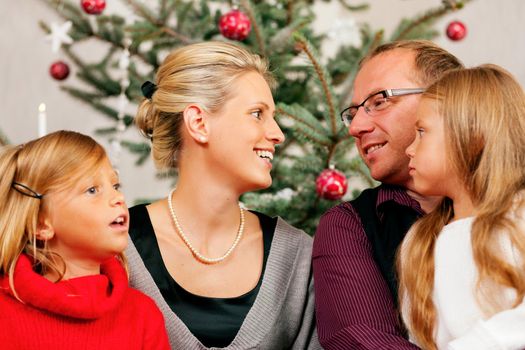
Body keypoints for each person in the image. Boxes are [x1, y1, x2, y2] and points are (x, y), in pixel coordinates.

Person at [126, 41, 320, 349]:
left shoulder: (298, 257)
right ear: (199, 123)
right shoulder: (119, 248)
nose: (278, 134)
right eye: (257, 113)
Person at [312, 40, 464, 349]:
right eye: (352, 113)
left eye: (380, 101)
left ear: (447, 102)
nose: (355, 127)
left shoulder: (514, 205)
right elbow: (361, 339)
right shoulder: (350, 227)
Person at [0, 130, 170, 350]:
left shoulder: (142, 315)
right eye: (92, 190)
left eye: (115, 186)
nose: (118, 198)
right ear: (42, 224)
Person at [399, 65, 525, 350]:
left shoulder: (519, 217)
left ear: (472, 136)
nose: (410, 149)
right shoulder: (419, 244)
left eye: (422, 132)